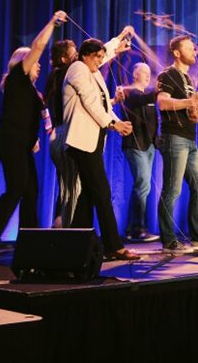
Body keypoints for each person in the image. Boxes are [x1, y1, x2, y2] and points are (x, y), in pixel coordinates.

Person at [0, 10, 67, 249]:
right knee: (16, 188)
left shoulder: (33, 90)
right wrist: (52, 23)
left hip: (22, 143)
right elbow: (38, 46)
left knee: (31, 190)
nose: (39, 66)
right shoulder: (17, 78)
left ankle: (30, 239)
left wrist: (35, 138)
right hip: (11, 141)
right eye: (36, 63)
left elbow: (38, 114)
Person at [62, 37, 140, 261]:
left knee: (88, 194)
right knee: (103, 193)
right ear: (84, 55)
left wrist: (117, 122)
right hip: (81, 142)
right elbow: (90, 102)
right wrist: (113, 124)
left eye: (101, 57)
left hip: (92, 142)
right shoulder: (77, 68)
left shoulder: (93, 72)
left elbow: (104, 104)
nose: (100, 61)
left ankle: (76, 245)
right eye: (96, 57)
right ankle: (113, 246)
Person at [156, 35, 198, 253]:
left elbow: (192, 115)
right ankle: (168, 242)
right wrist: (192, 101)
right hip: (174, 137)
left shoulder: (189, 80)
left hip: (189, 138)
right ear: (177, 53)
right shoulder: (168, 74)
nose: (195, 52)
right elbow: (162, 103)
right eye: (189, 48)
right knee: (172, 189)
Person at [120, 62, 160, 242]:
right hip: (135, 145)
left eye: (148, 73)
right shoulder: (130, 92)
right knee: (143, 185)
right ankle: (137, 228)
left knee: (143, 186)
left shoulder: (147, 95)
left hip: (149, 145)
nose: (147, 75)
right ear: (135, 74)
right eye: (143, 72)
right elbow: (141, 99)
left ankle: (133, 228)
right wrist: (159, 90)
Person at [44, 39, 78, 228]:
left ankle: (60, 223)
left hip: (58, 135)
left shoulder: (56, 76)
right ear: (64, 58)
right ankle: (64, 228)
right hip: (65, 134)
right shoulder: (65, 74)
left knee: (67, 185)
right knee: (72, 187)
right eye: (74, 54)